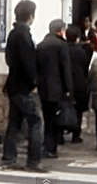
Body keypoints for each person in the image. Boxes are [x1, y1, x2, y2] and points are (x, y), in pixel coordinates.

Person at [1, 0, 46, 173]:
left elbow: (9, 60)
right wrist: (33, 83)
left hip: (13, 84)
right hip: (24, 86)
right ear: (30, 16)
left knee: (15, 122)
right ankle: (34, 161)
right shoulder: (25, 35)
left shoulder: (13, 34)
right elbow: (28, 63)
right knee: (36, 122)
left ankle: (9, 158)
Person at [36, 19, 73, 159]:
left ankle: (46, 146)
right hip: (57, 88)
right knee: (55, 120)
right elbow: (66, 69)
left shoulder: (41, 45)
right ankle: (52, 148)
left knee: (46, 118)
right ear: (61, 30)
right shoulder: (61, 45)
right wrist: (68, 89)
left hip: (43, 87)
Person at [65, 26, 91, 144]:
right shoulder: (82, 52)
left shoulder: (63, 49)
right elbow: (86, 68)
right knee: (78, 110)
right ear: (77, 38)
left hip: (65, 82)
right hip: (79, 83)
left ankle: (60, 134)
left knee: (62, 108)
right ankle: (76, 135)